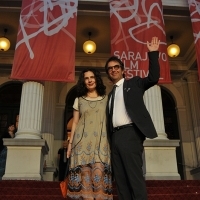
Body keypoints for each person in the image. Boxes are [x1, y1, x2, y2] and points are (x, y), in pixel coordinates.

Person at [104, 37, 160, 200]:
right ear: (108, 73)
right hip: (114, 138)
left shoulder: (134, 83)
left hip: (130, 135)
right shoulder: (110, 95)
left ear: (122, 70)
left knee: (134, 179)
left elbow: (153, 78)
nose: (113, 70)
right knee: (121, 183)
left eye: (116, 67)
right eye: (110, 69)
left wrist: (153, 54)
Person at [67, 68, 112, 200]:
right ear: (83, 82)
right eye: (86, 78)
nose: (89, 80)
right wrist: (70, 144)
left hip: (101, 144)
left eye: (92, 77)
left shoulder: (107, 99)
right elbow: (75, 122)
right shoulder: (79, 100)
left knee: (99, 182)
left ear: (97, 79)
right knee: (86, 186)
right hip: (81, 145)